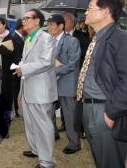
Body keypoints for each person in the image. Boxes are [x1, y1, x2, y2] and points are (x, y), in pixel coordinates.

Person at [77, 0, 127, 168]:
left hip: (106, 110)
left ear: (105, 11)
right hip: (90, 108)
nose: (86, 12)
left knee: (110, 163)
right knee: (101, 161)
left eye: (89, 8)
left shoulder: (122, 38)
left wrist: (111, 113)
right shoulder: (97, 39)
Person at [14, 9, 57, 168]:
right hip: (29, 87)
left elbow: (46, 62)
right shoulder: (29, 39)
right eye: (23, 18)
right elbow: (30, 62)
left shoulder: (46, 38)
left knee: (43, 125)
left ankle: (47, 161)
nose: (23, 21)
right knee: (31, 123)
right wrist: (21, 68)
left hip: (40, 90)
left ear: (37, 21)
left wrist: (23, 68)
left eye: (26, 18)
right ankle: (36, 149)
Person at [47, 14, 81, 154]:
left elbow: (73, 63)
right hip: (50, 83)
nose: (49, 27)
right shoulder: (48, 41)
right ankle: (53, 133)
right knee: (48, 111)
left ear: (61, 26)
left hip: (67, 83)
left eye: (51, 24)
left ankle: (74, 143)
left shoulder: (72, 41)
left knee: (69, 115)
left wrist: (52, 70)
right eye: (48, 24)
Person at [0, 17, 18, 122]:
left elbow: (12, 55)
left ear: (4, 25)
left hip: (6, 70)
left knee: (6, 92)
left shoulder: (10, 38)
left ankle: (8, 115)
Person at [11, 18, 25, 117]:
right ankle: (14, 110)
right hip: (16, 69)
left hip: (19, 68)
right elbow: (16, 56)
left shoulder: (19, 37)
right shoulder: (14, 37)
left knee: (16, 90)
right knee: (14, 91)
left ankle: (15, 110)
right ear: (21, 27)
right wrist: (19, 68)